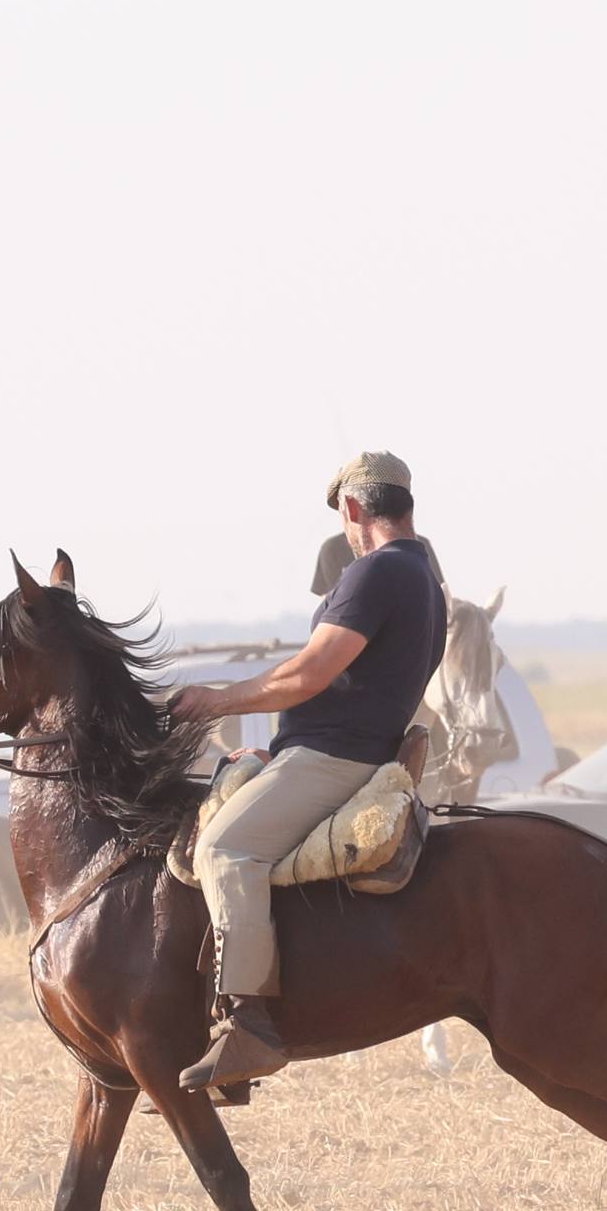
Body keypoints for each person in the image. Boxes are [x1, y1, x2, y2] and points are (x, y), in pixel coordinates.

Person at [169, 451, 449, 1096]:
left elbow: (307, 675)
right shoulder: (423, 578)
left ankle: (248, 1026)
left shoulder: (373, 572)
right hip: (336, 749)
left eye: (346, 520)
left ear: (353, 510)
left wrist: (215, 700)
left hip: (333, 760)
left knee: (225, 849)